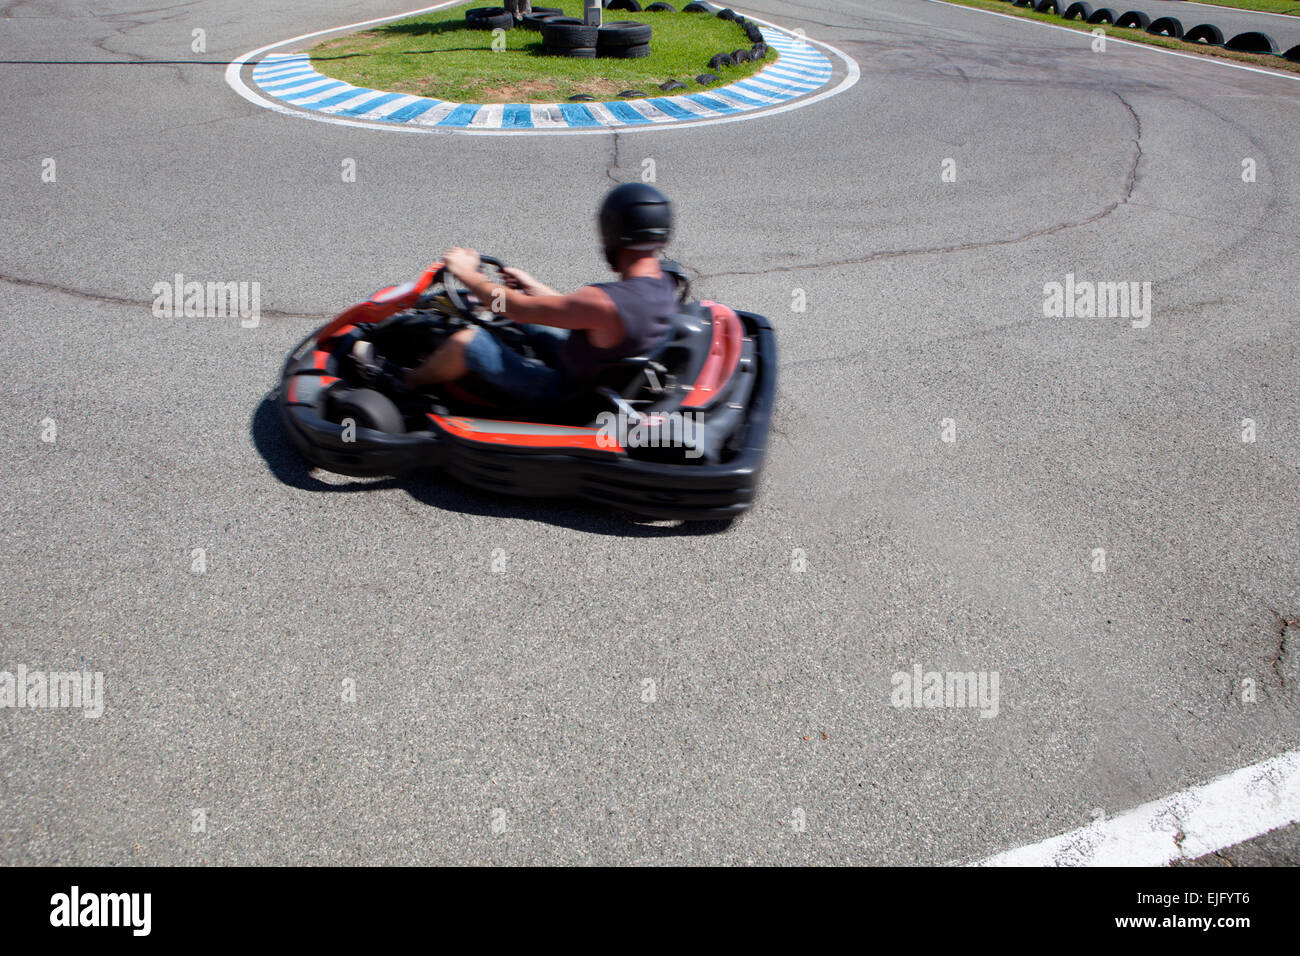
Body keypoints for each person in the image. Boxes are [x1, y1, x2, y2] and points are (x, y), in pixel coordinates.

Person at [367, 183, 679, 404]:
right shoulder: (664, 281)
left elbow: (510, 306)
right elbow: (580, 312)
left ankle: (405, 383)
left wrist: (468, 275)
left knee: (467, 342)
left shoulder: (604, 302)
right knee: (524, 320)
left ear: (612, 234)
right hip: (598, 373)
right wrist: (532, 286)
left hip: (569, 395)